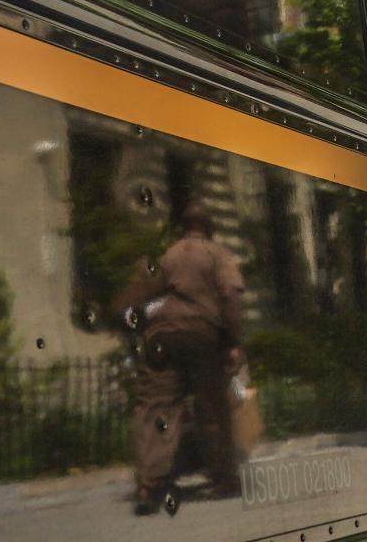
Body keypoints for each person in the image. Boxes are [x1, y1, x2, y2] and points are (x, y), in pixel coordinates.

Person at [126, 203, 245, 514]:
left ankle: (149, 484)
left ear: (183, 228)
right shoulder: (216, 254)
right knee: (212, 407)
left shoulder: (168, 256)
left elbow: (141, 297)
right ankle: (224, 479)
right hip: (202, 333)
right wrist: (233, 342)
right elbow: (230, 297)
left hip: (162, 335)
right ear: (210, 228)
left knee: (157, 406)